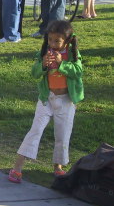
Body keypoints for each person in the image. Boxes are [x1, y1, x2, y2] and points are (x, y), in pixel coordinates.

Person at [8, 20, 84, 183]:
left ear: (67, 40)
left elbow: (78, 72)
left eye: (57, 41)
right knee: (35, 130)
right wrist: (43, 64)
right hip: (46, 99)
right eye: (50, 40)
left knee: (62, 134)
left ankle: (58, 166)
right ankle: (17, 168)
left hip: (66, 101)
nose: (53, 44)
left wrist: (61, 63)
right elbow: (35, 73)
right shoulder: (44, 52)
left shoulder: (72, 54)